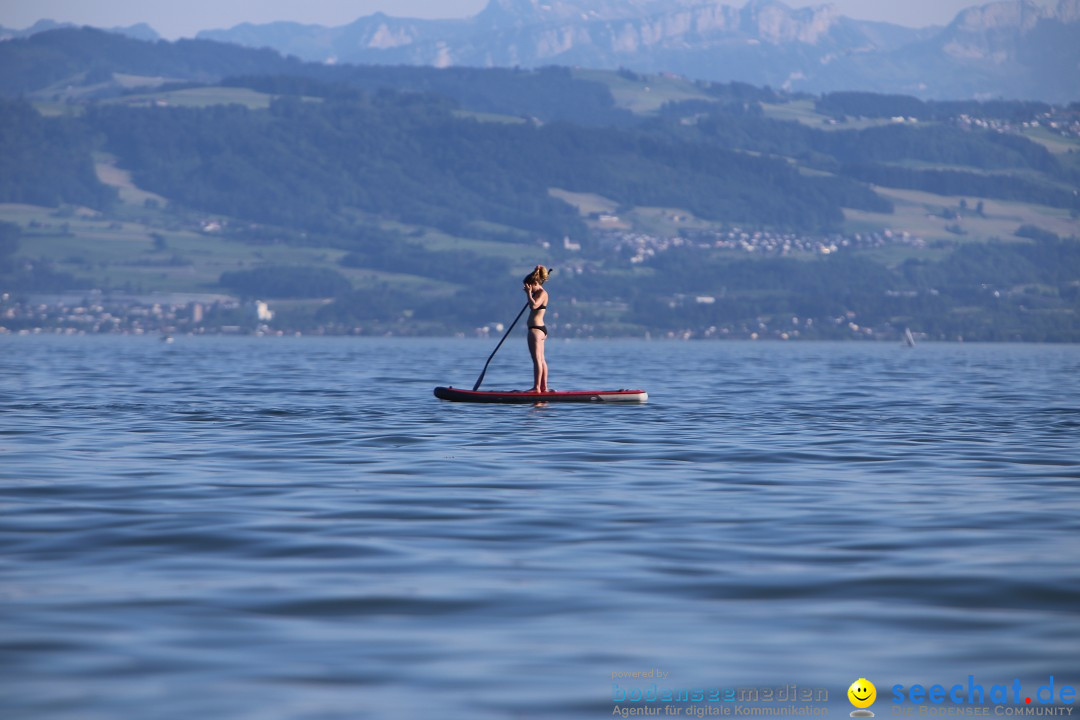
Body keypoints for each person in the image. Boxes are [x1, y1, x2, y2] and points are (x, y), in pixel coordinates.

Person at [523, 265, 550, 393]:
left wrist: (529, 294)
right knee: (541, 359)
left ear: (534, 283)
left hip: (536, 330)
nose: (529, 289)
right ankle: (544, 387)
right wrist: (530, 293)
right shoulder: (538, 293)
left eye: (529, 286)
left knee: (537, 360)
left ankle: (537, 387)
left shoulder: (542, 293)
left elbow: (534, 306)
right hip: (539, 329)